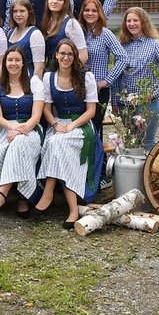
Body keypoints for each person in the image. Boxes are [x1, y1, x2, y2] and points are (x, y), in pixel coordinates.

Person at [35, 39, 101, 227]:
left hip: (81, 126)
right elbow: (46, 109)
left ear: (75, 57)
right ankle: (73, 209)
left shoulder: (86, 77)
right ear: (56, 55)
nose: (65, 57)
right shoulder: (49, 78)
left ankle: (48, 191)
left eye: (69, 54)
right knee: (58, 145)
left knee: (57, 144)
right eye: (62, 53)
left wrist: (71, 126)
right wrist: (55, 124)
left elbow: (91, 111)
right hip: (58, 125)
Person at [0, 47, 47, 217]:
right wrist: (13, 128)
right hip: (4, 129)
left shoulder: (34, 82)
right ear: (4, 63)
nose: (13, 63)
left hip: (30, 129)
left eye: (17, 60)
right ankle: (23, 198)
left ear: (23, 62)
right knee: (11, 146)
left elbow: (36, 116)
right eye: (10, 60)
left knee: (20, 143)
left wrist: (22, 129)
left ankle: (2, 193)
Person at [105, 7, 159, 152]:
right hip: (125, 105)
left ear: (143, 22)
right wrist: (115, 103)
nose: (132, 24)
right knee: (133, 142)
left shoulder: (154, 44)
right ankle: (133, 173)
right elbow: (117, 75)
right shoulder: (122, 45)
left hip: (146, 105)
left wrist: (154, 93)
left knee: (147, 143)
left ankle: (148, 174)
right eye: (128, 20)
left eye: (135, 20)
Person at [80, 0, 124, 129]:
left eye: (94, 10)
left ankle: (97, 150)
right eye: (87, 10)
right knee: (82, 127)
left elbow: (123, 58)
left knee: (95, 127)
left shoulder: (105, 34)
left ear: (100, 13)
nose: (90, 13)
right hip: (80, 89)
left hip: (99, 90)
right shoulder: (78, 33)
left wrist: (106, 81)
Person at [41, 0, 88, 68]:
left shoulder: (71, 24)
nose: (55, 1)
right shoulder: (47, 23)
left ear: (65, 3)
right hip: (49, 72)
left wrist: (70, 74)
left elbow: (83, 55)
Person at [6, 0, 46, 80]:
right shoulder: (10, 33)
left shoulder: (35, 34)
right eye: (15, 11)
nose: (18, 14)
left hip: (28, 78)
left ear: (29, 13)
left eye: (22, 11)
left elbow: (39, 67)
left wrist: (35, 87)